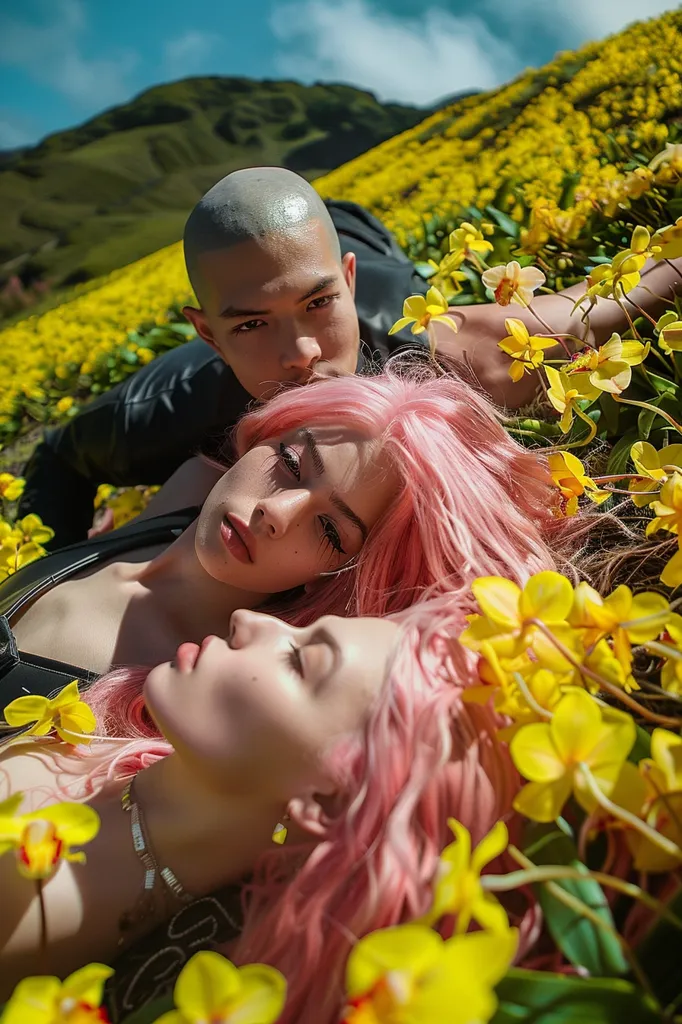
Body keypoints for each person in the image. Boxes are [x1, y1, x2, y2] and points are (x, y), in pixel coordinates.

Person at [19, 166, 680, 548]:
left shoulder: (446, 352)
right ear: (207, 335)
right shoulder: (165, 408)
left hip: (362, 242)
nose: (302, 354)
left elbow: (613, 301)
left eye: (317, 305)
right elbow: (58, 459)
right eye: (251, 324)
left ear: (347, 283)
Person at [0, 601, 520, 1024]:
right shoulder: (100, 730)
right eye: (297, 630)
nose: (247, 620)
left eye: (297, 661)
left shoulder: (41, 907)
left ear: (326, 803)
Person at [0, 359, 563, 707]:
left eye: (327, 528)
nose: (277, 511)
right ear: (266, 432)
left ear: (344, 570)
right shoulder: (188, 488)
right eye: (292, 461)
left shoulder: (192, 690)